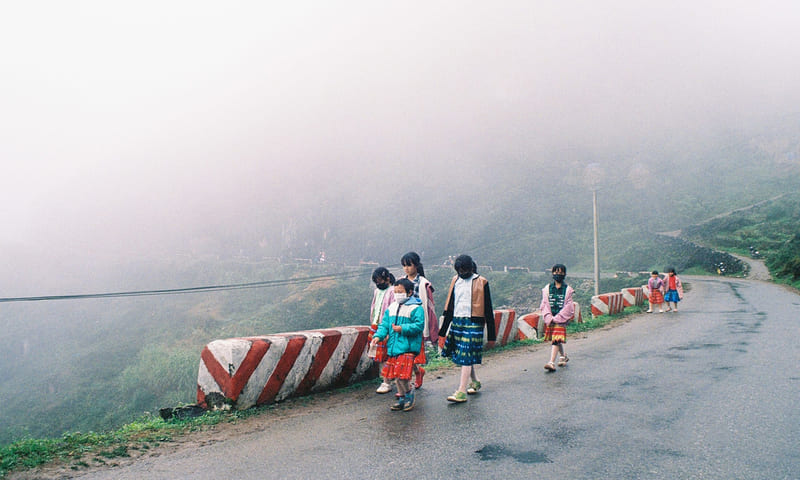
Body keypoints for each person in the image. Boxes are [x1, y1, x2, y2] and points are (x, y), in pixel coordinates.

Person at [439, 254, 496, 403]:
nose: (462, 273)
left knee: (465, 354)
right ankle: (475, 381)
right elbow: (450, 305)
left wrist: (491, 335)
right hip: (458, 321)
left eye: (464, 270)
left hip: (474, 323)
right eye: (459, 271)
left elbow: (488, 309)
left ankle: (461, 391)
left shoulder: (482, 282)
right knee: (466, 355)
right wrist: (443, 330)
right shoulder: (455, 281)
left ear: (471, 267)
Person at [369, 278, 424, 412]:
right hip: (393, 348)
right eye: (396, 292)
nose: (397, 294)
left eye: (400, 291)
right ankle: (402, 397)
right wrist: (378, 336)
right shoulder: (392, 308)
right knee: (396, 377)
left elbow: (419, 326)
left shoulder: (416, 308)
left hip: (407, 348)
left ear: (409, 292)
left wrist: (403, 328)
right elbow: (384, 325)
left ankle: (408, 394)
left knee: (402, 377)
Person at [400, 251, 437, 389]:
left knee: (411, 352)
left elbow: (429, 307)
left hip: (416, 322)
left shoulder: (423, 284)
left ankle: (407, 384)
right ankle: (417, 372)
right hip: (403, 321)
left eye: (409, 265)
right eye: (404, 266)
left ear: (416, 265)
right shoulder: (401, 282)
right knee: (403, 351)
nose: (406, 269)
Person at [541, 264, 575, 372]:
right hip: (551, 318)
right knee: (557, 338)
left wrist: (559, 317)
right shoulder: (547, 289)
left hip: (561, 319)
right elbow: (544, 304)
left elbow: (569, 306)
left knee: (555, 339)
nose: (558, 274)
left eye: (560, 272)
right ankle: (563, 356)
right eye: (556, 272)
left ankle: (551, 362)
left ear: (564, 274)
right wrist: (549, 317)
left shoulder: (568, 290)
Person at [368, 267, 396, 394]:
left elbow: (392, 310)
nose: (378, 284)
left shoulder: (392, 291)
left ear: (387, 279)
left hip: (386, 326)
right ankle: (387, 378)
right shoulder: (376, 291)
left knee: (386, 355)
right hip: (376, 325)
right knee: (379, 355)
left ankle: (386, 382)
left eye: (380, 281)